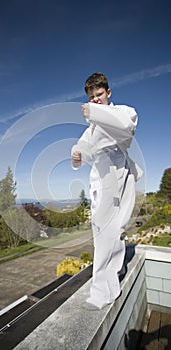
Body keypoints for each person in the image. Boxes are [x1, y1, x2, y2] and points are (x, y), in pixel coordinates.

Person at [71, 72, 142, 310]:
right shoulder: (91, 129)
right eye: (91, 97)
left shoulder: (123, 111)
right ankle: (114, 273)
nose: (95, 99)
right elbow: (84, 149)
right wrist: (77, 153)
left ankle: (103, 292)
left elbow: (126, 128)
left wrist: (96, 113)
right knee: (107, 231)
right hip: (101, 179)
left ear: (108, 93)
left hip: (118, 175)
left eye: (99, 95)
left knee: (110, 231)